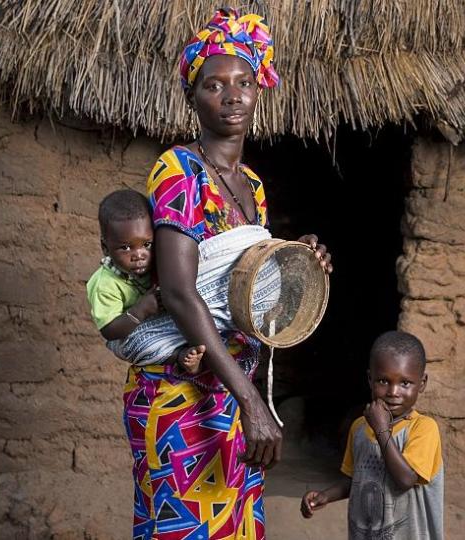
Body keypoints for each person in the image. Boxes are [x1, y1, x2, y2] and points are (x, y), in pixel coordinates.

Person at [122, 9, 332, 539]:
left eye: (243, 82)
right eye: (214, 85)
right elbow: (177, 289)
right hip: (181, 392)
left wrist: (295, 260)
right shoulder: (178, 171)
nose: (232, 95)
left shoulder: (252, 185)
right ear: (193, 98)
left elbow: (243, 279)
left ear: (259, 89)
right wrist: (252, 400)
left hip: (230, 395)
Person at [300, 331, 443, 540]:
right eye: (384, 381)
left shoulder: (423, 428)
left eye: (405, 383)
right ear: (370, 379)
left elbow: (405, 479)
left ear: (422, 383)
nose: (393, 392)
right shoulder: (359, 427)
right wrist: (325, 496)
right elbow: (356, 478)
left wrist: (381, 430)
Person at [85, 189, 204, 373]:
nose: (139, 255)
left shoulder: (157, 260)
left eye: (147, 244)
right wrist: (140, 310)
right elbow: (109, 331)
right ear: (105, 247)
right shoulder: (104, 283)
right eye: (126, 247)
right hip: (126, 334)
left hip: (159, 324)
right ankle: (179, 357)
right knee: (139, 346)